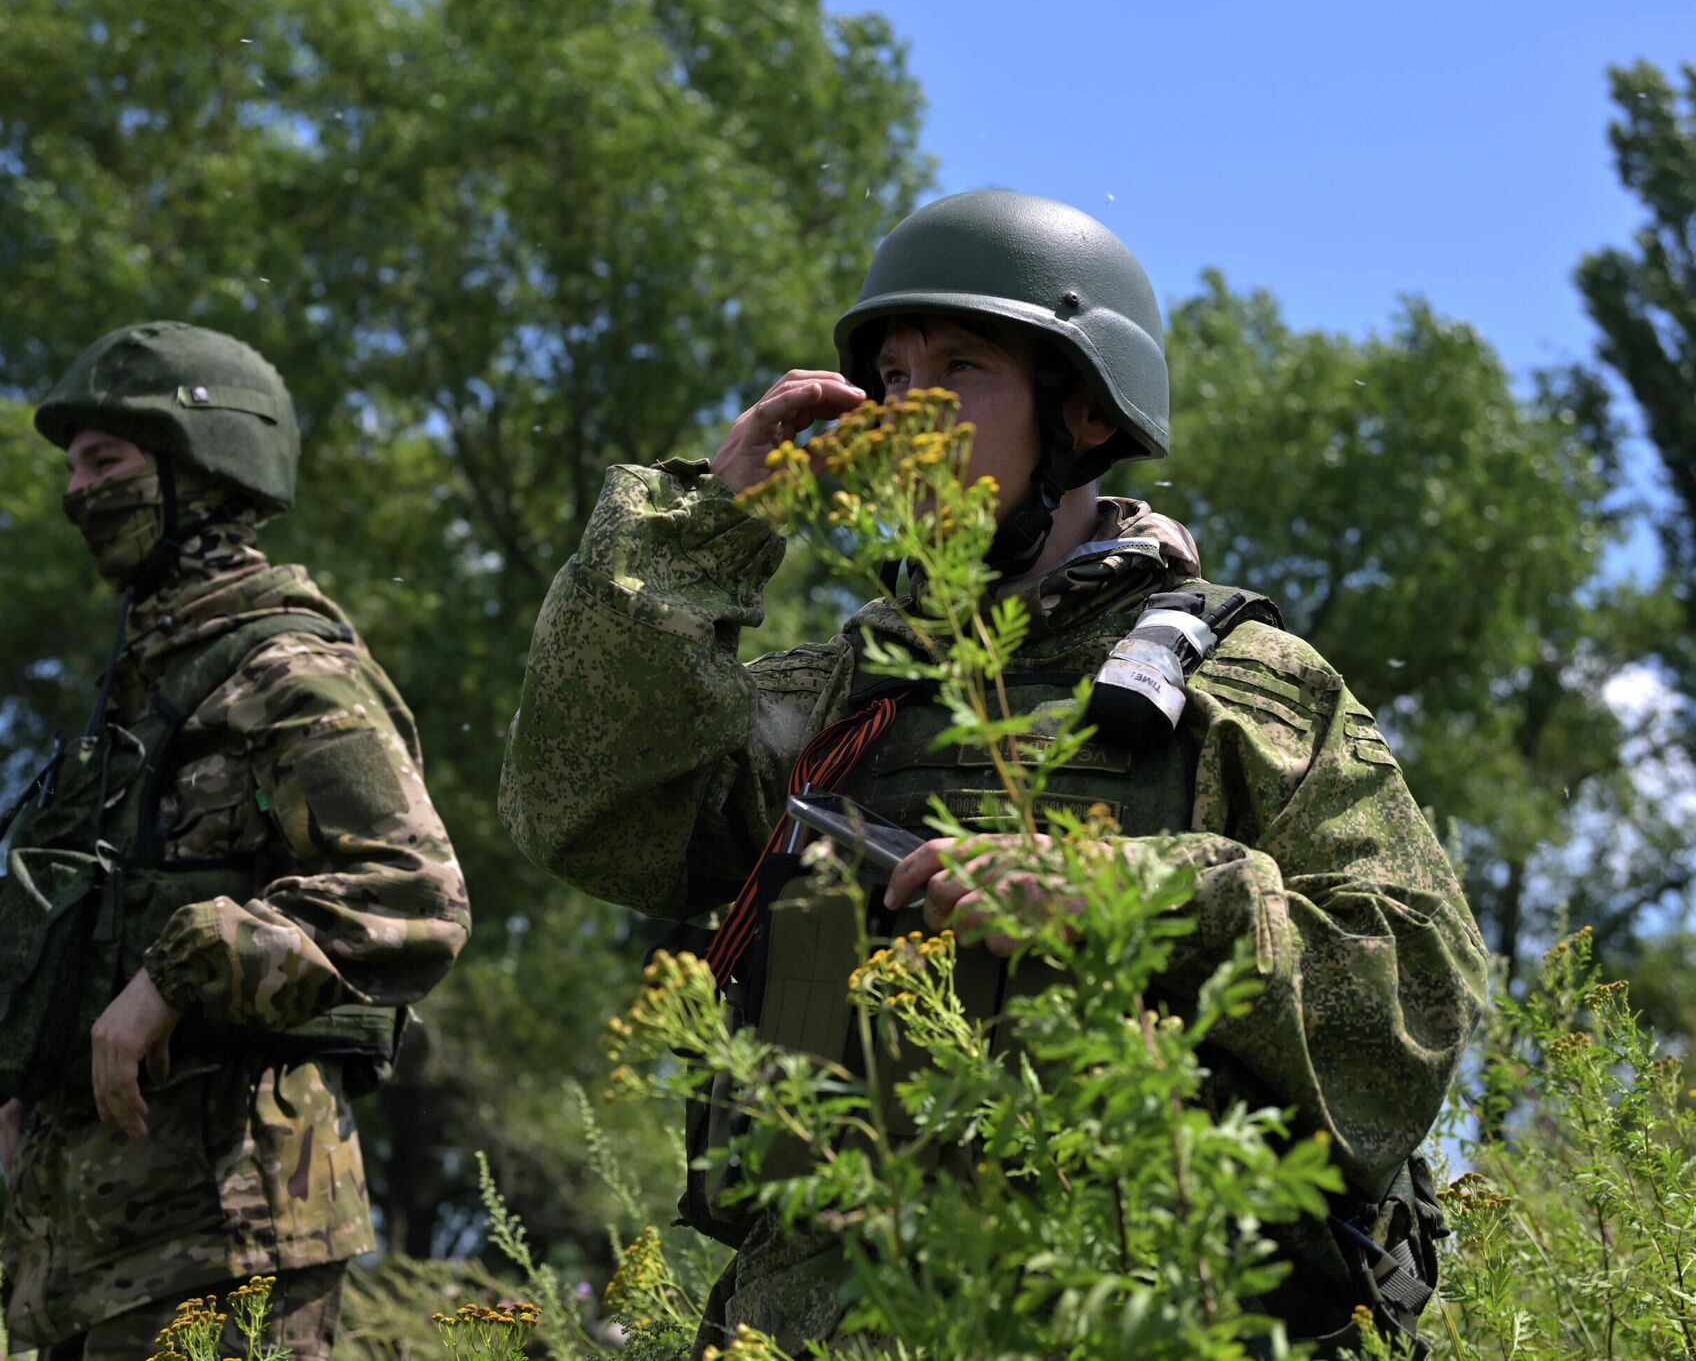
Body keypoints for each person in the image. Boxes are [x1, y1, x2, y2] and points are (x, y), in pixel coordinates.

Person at [499, 190, 1487, 1357]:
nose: (909, 415)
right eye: (892, 380)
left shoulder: (1245, 694)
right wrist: (702, 528)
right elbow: (586, 811)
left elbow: (1416, 998)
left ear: (1082, 411)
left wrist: (1131, 894)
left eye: (961, 370)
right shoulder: (831, 700)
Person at [0, 322, 470, 1360]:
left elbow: (412, 894)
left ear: (201, 462)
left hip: (231, 1233)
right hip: (89, 1256)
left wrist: (173, 974)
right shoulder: (133, 699)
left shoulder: (290, 669)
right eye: (73, 466)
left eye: (106, 460)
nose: (77, 491)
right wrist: (29, 1070)